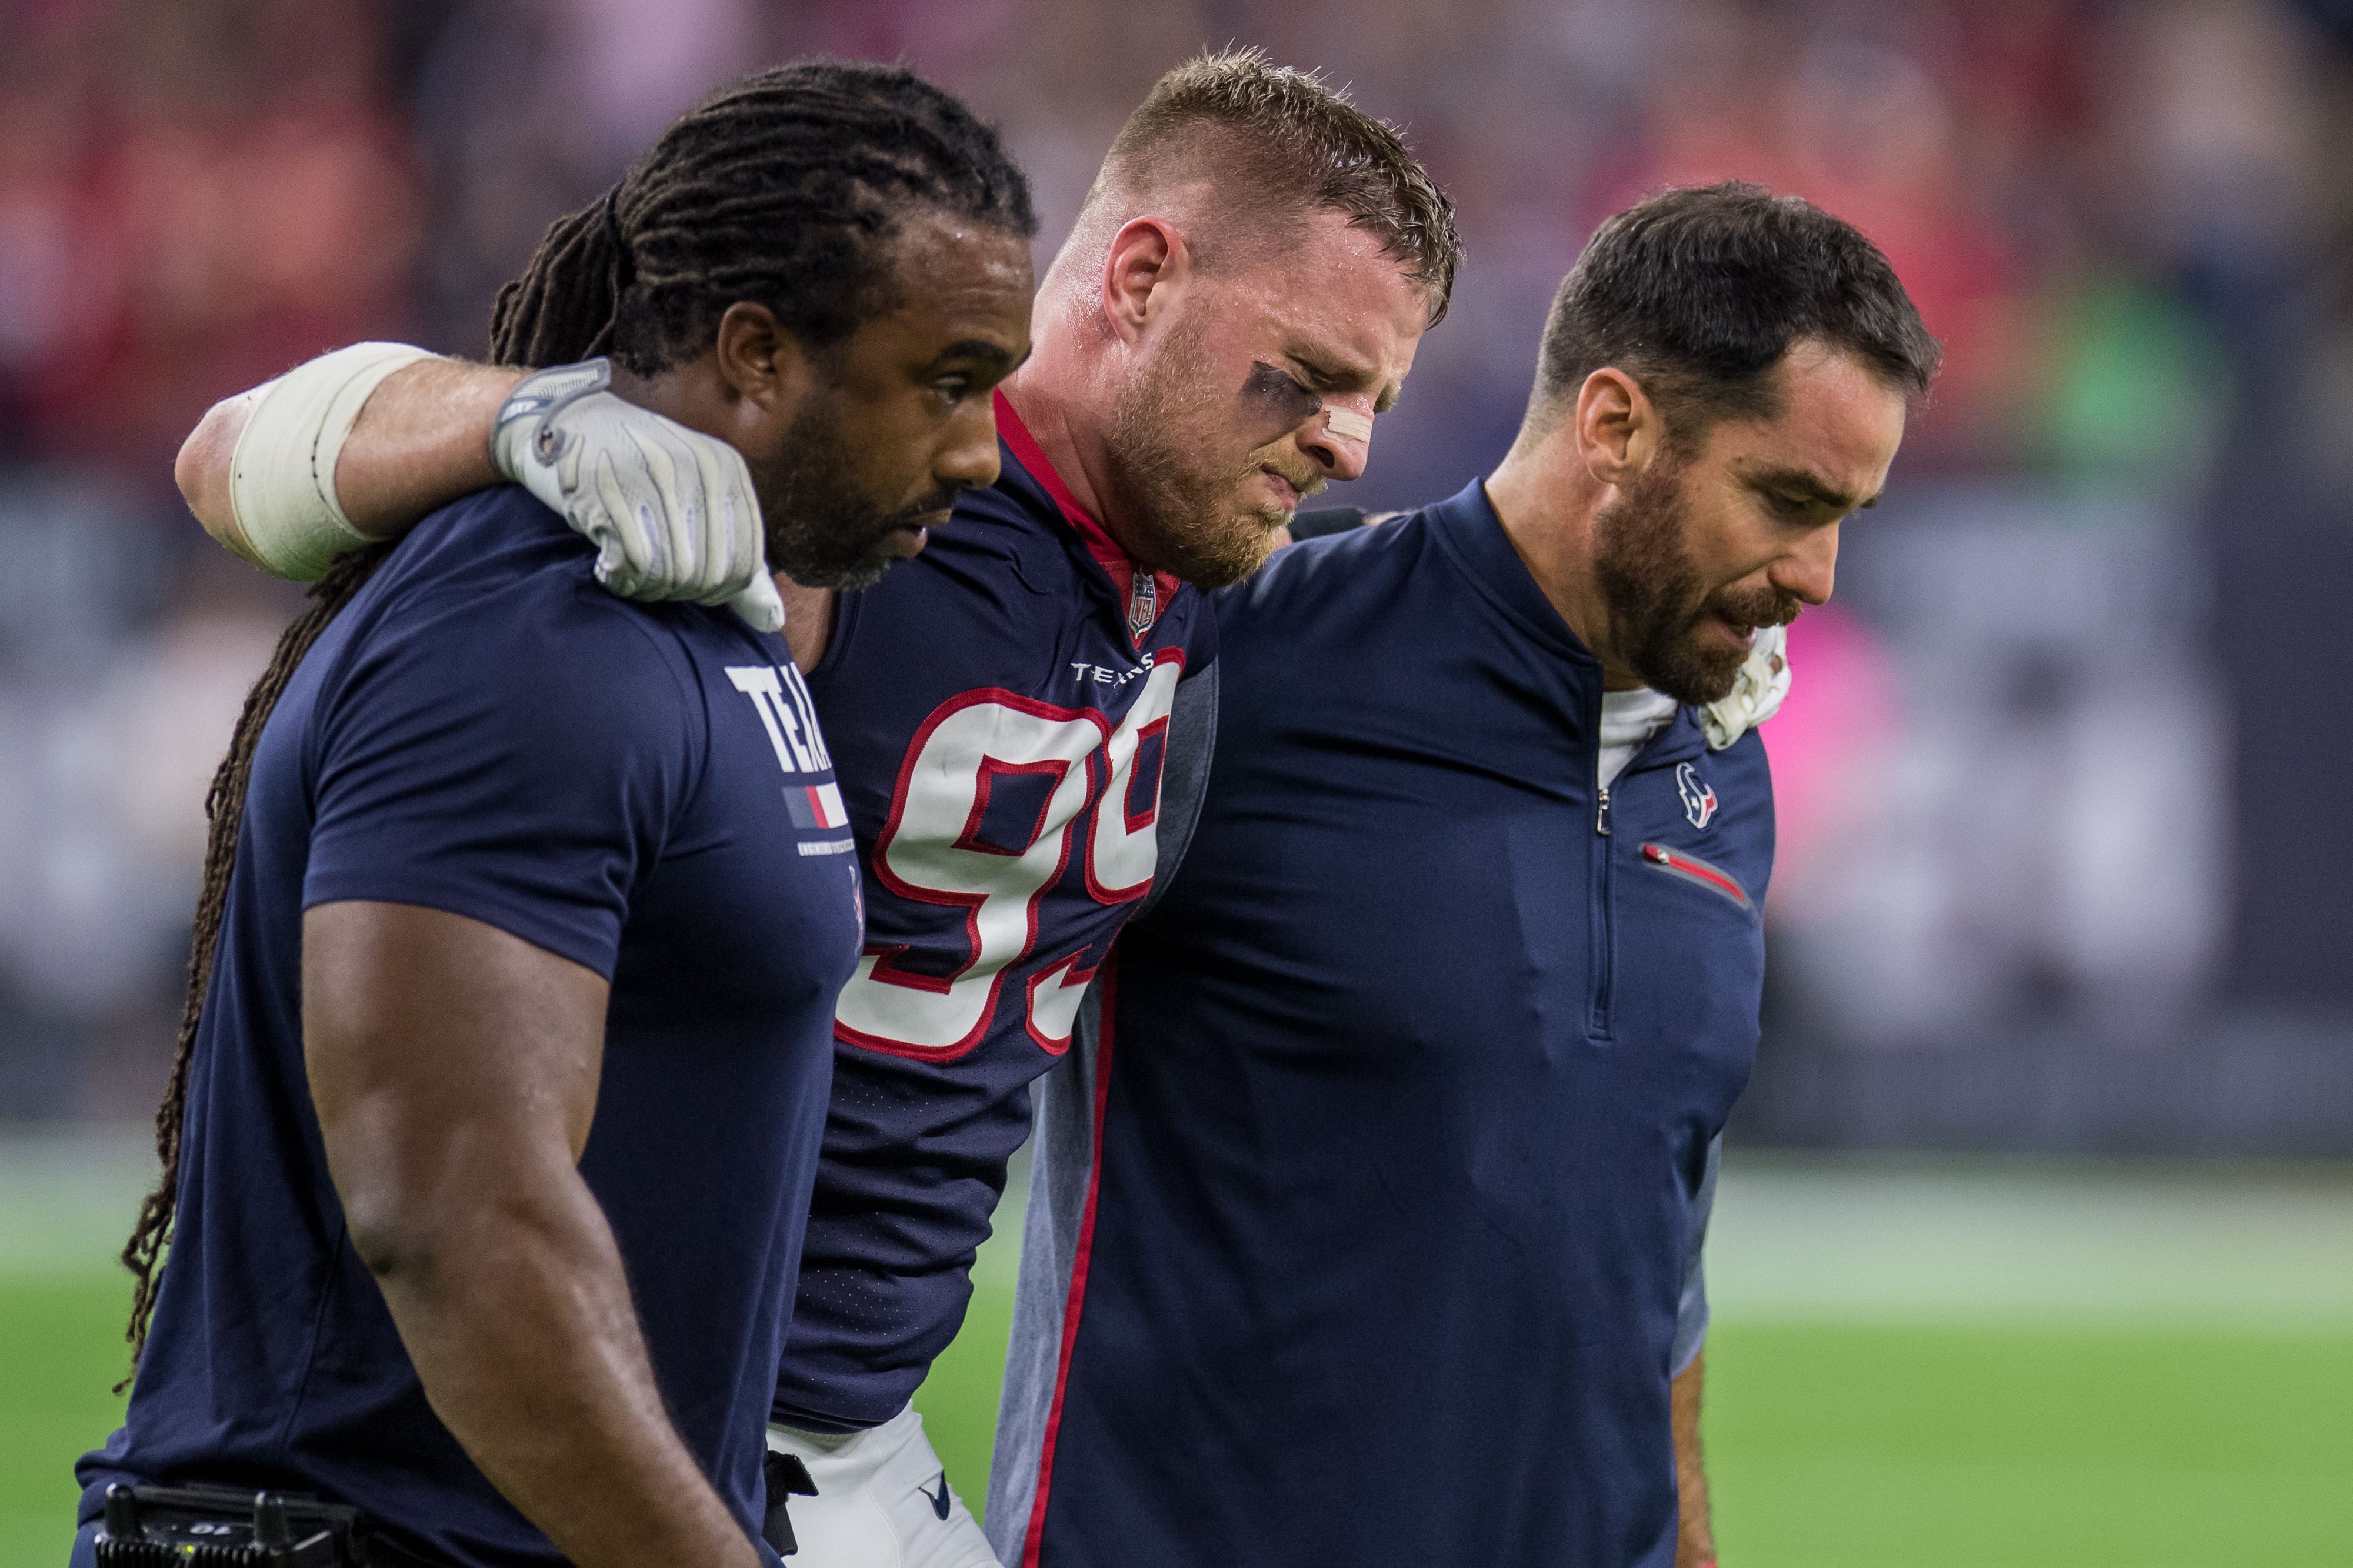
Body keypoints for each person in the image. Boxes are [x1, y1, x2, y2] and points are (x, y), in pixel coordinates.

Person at [170, 49, 1459, 1567]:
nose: (1347, 443)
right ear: (1140, 276)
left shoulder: (1218, 569)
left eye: (1375, 397)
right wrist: (532, 413)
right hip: (608, 1412)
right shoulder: (840, 490)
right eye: (1309, 374)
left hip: (861, 1443)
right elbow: (236, 452)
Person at [81, 63, 1035, 1568]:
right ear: (755, 352)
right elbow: (460, 1217)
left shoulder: (719, 610)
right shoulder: (537, 636)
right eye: (949, 380)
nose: (983, 451)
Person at [987, 182, 1939, 1568]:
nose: (1817, 573)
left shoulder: (1723, 764)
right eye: (1785, 498)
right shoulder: (1232, 657)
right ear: (1612, 425)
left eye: (1845, 512)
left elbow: (1647, 1255)